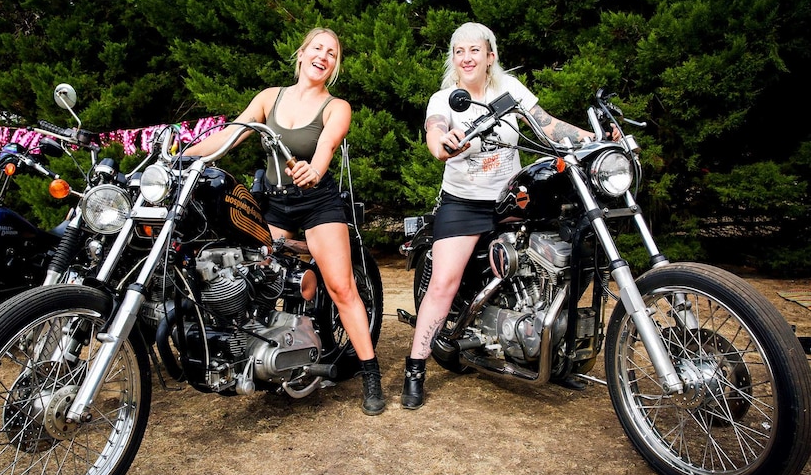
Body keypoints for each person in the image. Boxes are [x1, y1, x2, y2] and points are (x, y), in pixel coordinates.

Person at [402, 21, 616, 410]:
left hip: (512, 199)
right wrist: (443, 143)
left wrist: (592, 139)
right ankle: (415, 365)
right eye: (459, 51)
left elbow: (547, 124)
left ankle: (556, 353)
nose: (467, 57)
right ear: (454, 59)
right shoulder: (445, 98)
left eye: (474, 50)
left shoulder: (509, 90)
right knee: (445, 282)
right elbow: (435, 133)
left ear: (490, 56)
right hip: (464, 201)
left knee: (572, 261)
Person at [189, 27, 385, 415]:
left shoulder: (336, 106)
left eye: (332, 53)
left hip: (318, 201)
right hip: (277, 204)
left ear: (334, 65)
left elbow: (327, 144)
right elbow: (230, 136)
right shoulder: (268, 98)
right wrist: (187, 157)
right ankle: (269, 349)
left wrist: (314, 169)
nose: (324, 56)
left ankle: (370, 372)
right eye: (318, 48)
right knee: (254, 275)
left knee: (342, 287)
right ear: (301, 54)